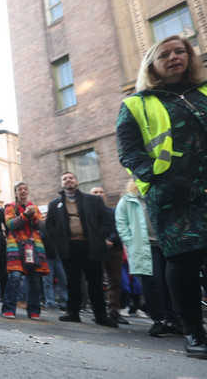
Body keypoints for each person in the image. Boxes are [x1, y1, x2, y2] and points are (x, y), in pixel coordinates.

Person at [116, 34, 207, 357]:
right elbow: (128, 152)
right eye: (164, 54)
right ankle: (194, 332)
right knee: (183, 260)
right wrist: (156, 177)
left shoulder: (204, 93)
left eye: (180, 51)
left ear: (190, 57)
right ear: (152, 64)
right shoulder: (136, 103)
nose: (173, 57)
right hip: (172, 195)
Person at [45, 172, 118, 327]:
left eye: (70, 178)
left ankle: (100, 315)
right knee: (72, 281)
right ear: (62, 184)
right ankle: (73, 313)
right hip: (69, 247)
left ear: (77, 181)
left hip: (91, 246)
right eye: (64, 179)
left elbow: (107, 219)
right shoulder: (54, 204)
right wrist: (58, 238)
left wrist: (100, 236)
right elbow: (49, 225)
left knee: (95, 281)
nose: (68, 180)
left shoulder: (93, 200)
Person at [115, 179, 181, 337]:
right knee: (152, 281)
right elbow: (121, 222)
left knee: (170, 282)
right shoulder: (128, 199)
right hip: (145, 246)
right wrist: (129, 240)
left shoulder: (163, 195)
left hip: (167, 244)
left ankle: (173, 320)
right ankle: (159, 320)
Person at [1, 182, 49, 320]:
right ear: (15, 193)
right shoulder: (10, 207)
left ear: (28, 192)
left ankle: (34, 310)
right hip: (15, 243)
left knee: (34, 277)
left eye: (25, 189)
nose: (23, 191)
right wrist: (24, 215)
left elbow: (41, 225)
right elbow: (10, 224)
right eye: (19, 189)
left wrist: (33, 215)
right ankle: (9, 309)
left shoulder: (34, 207)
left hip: (33, 245)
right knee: (15, 276)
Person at [90, 186, 128, 325]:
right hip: (97, 250)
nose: (98, 194)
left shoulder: (114, 211)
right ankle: (99, 311)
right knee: (97, 281)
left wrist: (111, 240)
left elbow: (120, 226)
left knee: (115, 281)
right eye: (95, 192)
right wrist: (101, 241)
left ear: (105, 195)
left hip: (115, 249)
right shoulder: (88, 213)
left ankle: (114, 311)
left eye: (101, 192)